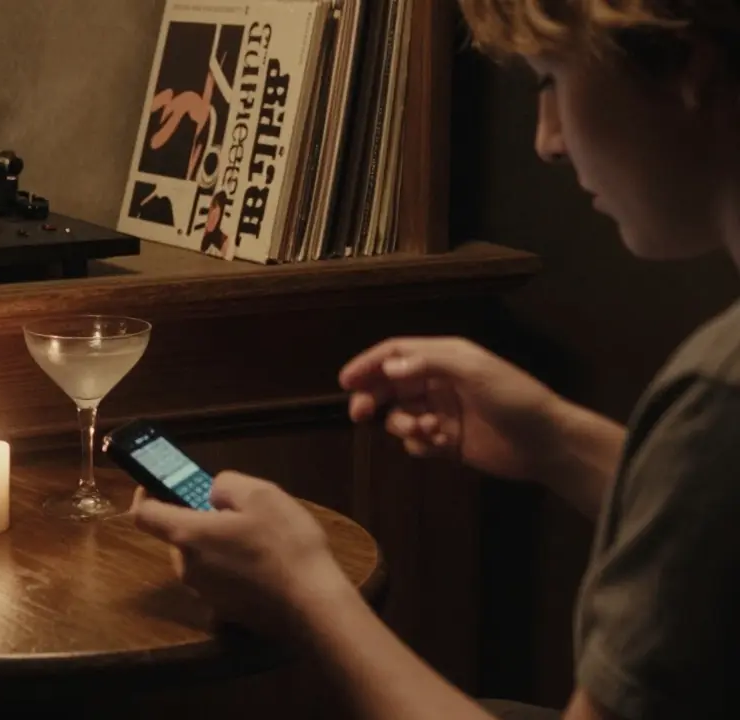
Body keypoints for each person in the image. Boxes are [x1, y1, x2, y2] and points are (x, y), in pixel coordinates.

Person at [129, 1, 740, 719]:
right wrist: (557, 441)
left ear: (689, 68)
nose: (547, 141)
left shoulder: (717, 395)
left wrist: (305, 594)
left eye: (551, 80)